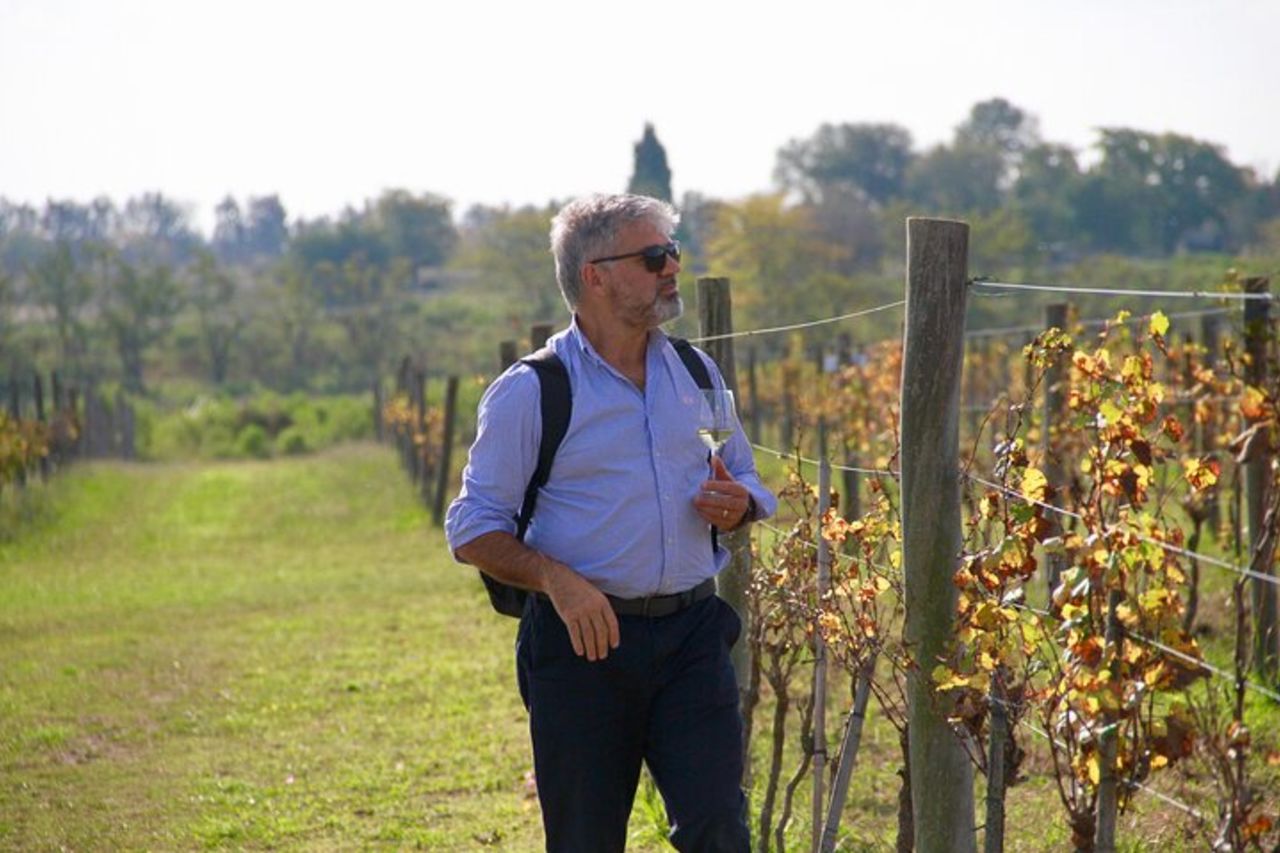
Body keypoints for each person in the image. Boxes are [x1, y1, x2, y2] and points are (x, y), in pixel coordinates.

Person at [445, 193, 776, 852]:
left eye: (672, 252)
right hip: (583, 648)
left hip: (691, 636)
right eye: (654, 255)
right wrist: (556, 580)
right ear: (595, 274)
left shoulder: (692, 369)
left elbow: (746, 476)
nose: (672, 267)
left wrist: (740, 502)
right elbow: (471, 527)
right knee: (585, 839)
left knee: (719, 829)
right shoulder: (532, 390)